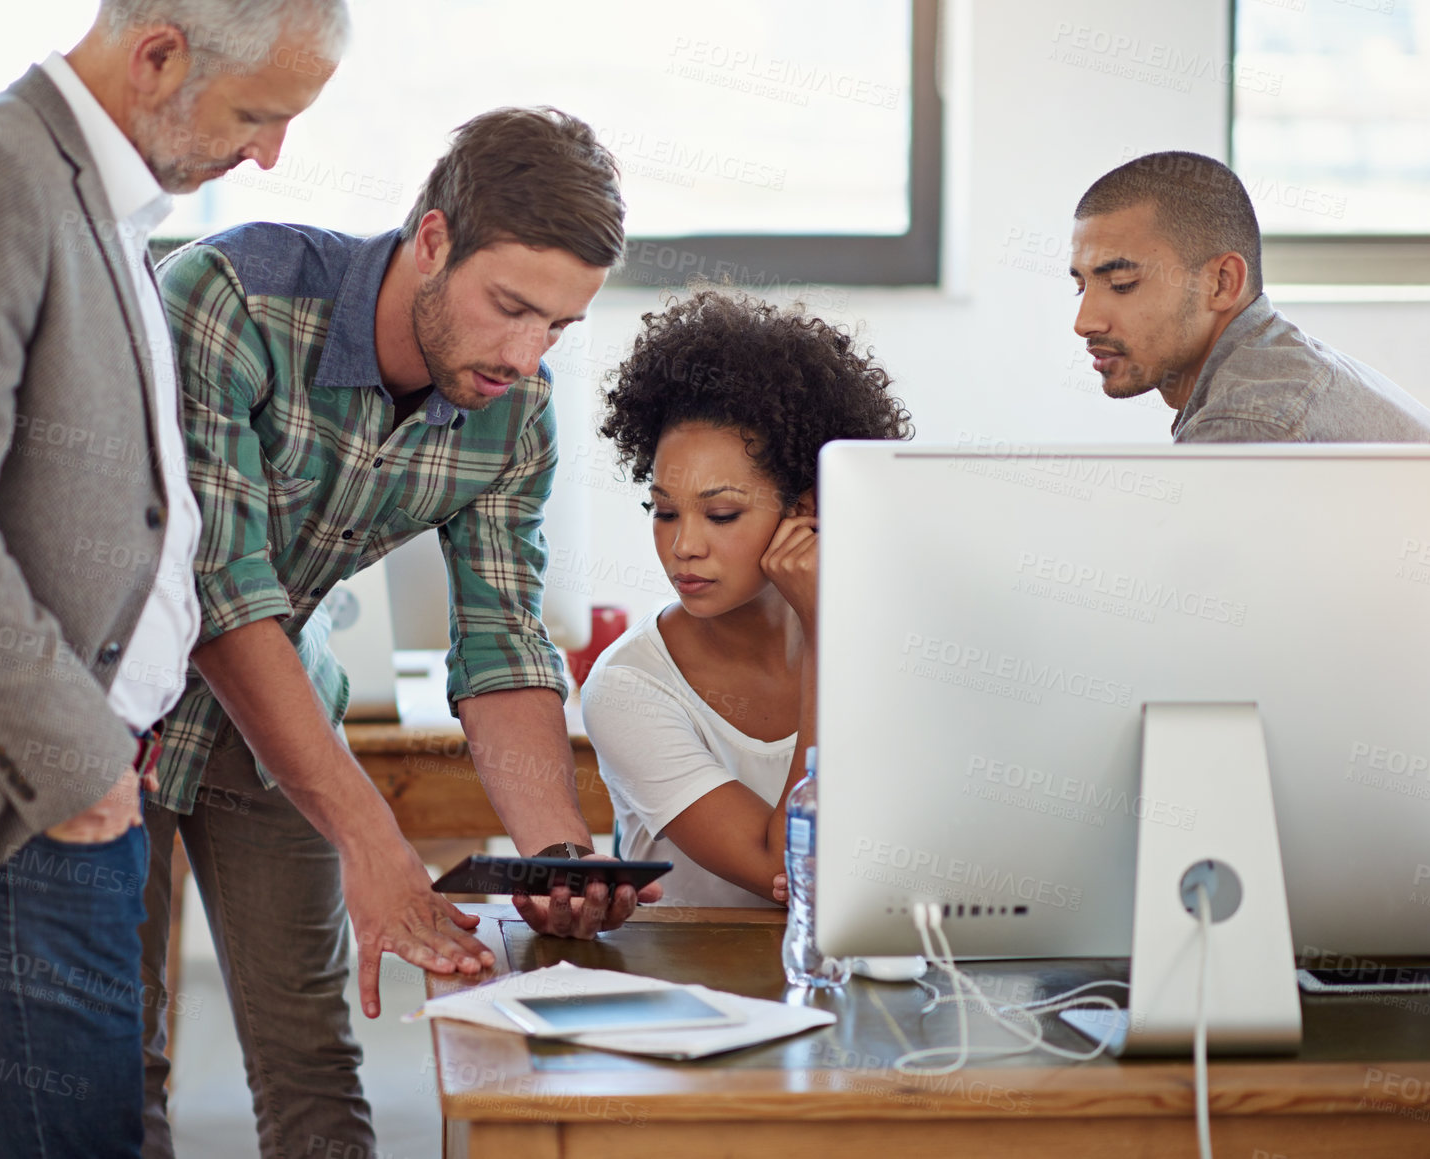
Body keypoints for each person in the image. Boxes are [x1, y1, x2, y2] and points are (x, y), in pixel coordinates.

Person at [0, 2, 345, 1155]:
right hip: (17, 809)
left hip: (49, 800)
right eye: (258, 115)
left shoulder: (96, 197)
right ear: (158, 56)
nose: (269, 153)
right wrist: (78, 759)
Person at [139, 106, 663, 1159]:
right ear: (432, 240)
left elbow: (501, 638)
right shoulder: (228, 299)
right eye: (509, 306)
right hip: (119, 720)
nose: (526, 353)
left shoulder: (516, 411)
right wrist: (374, 842)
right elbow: (221, 592)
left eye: (557, 326)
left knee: (313, 1066)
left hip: (282, 721)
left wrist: (553, 851)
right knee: (116, 1069)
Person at [580, 290, 911, 908]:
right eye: (665, 512)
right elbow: (792, 871)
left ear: (805, 510)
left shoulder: (894, 641)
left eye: (722, 514)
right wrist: (822, 634)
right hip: (689, 990)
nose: (683, 545)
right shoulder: (628, 688)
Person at [1070, 150, 1430, 442]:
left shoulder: (1247, 421)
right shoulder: (1276, 368)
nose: (1084, 323)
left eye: (1121, 284)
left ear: (1222, 283)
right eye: (1081, 286)